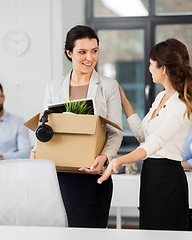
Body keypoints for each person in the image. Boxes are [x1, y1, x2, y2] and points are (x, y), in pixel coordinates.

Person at [98, 38, 192, 231]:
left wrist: (119, 160)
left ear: (163, 68)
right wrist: (123, 100)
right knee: (149, 231)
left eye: (151, 64)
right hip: (150, 177)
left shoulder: (181, 106)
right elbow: (142, 135)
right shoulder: (160, 97)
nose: (149, 69)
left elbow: (153, 144)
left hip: (168, 177)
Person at [31, 25, 123, 228]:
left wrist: (104, 157)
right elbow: (44, 127)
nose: (89, 57)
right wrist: (35, 151)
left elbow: (115, 132)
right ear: (69, 53)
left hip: (94, 177)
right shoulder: (54, 87)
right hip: (60, 178)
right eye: (82, 52)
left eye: (94, 51)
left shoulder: (108, 86)